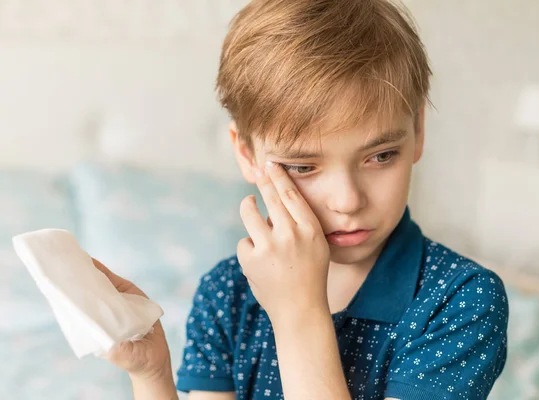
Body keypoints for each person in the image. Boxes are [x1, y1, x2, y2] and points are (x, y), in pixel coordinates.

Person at [95, 0, 509, 399]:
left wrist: (299, 315)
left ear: (417, 131)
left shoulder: (462, 300)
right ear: (247, 154)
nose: (347, 201)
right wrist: (152, 375)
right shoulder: (227, 294)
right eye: (302, 166)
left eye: (381, 156)